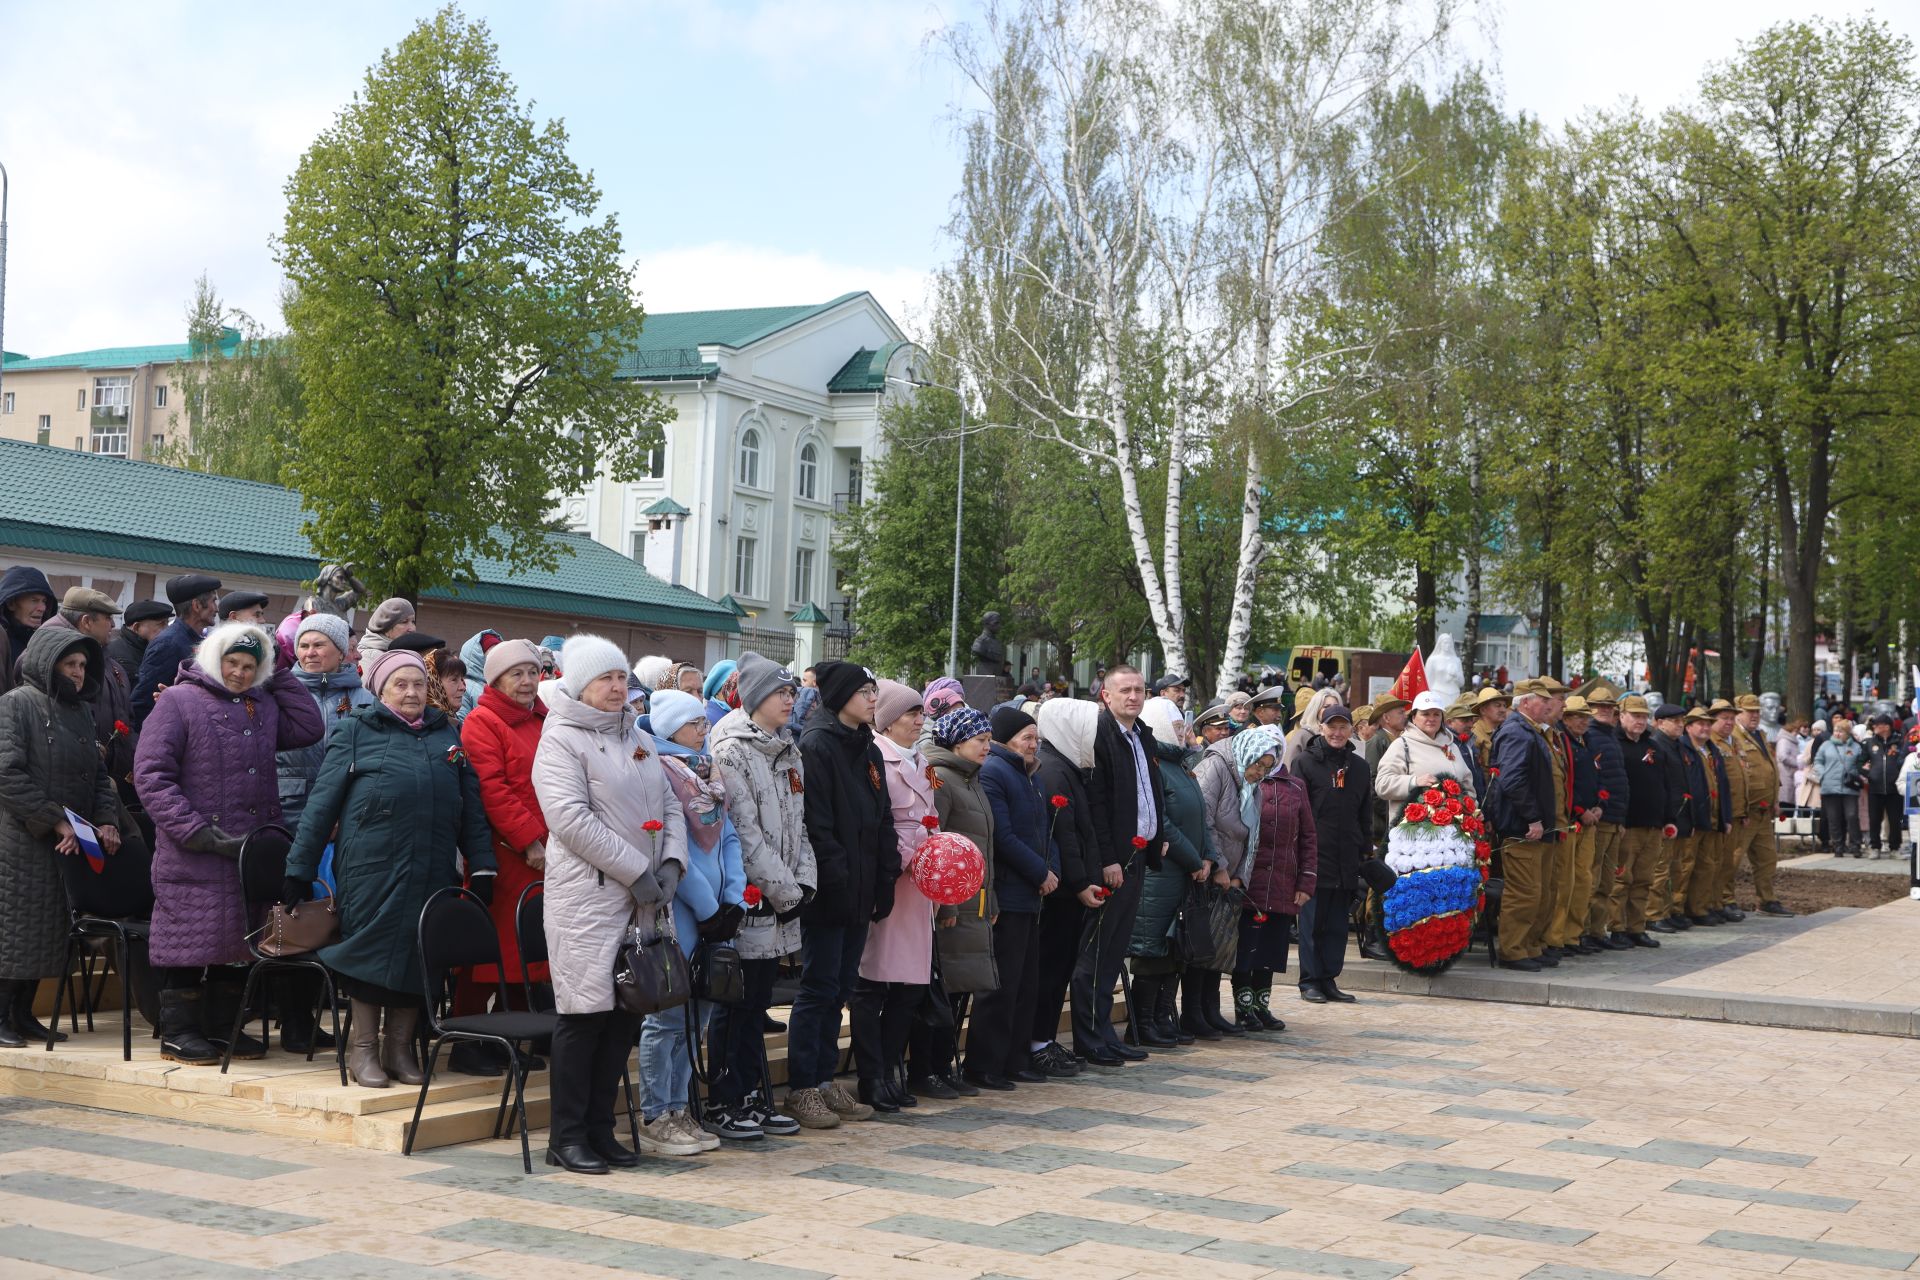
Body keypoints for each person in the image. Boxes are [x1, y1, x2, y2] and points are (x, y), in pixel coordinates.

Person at [281, 648, 494, 1089]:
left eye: (418, 684)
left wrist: (485, 866)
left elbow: (471, 809)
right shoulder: (355, 730)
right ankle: (363, 1050)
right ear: (380, 690)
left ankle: (399, 1049)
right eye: (400, 684)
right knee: (370, 951)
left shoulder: (446, 735)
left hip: (433, 866)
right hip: (370, 866)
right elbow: (322, 804)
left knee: (421, 952)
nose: (411, 692)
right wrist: (298, 867)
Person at [521, 636, 684, 1173]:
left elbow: (669, 805)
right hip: (587, 899)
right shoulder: (561, 739)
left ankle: (601, 1128)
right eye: (604, 679)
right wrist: (636, 868)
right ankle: (565, 1136)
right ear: (578, 685)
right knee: (583, 1015)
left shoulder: (637, 735)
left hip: (643, 900)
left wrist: (669, 864)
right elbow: (569, 820)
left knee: (622, 1019)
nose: (617, 688)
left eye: (621, 677)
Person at [135, 622, 324, 1063]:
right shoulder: (180, 701)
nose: (240, 673)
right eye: (232, 663)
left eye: (249, 665)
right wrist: (194, 831)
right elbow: (151, 776)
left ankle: (223, 1028)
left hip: (245, 850)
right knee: (187, 942)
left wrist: (274, 668)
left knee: (237, 939)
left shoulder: (261, 703)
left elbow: (309, 726)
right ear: (213, 658)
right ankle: (178, 1032)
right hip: (194, 848)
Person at [0, 627, 125, 1047]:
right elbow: (7, 773)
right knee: (14, 930)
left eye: (82, 665)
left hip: (67, 841)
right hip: (20, 841)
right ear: (46, 663)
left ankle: (23, 1014)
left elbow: (98, 778)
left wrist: (106, 820)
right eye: (69, 664)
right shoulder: (16, 705)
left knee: (47, 932)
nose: (77, 672)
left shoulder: (80, 712)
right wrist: (56, 821)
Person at [707, 652, 814, 1140]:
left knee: (758, 1003)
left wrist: (804, 880)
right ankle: (725, 1100)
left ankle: (752, 1094)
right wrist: (784, 890)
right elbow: (746, 834)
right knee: (737, 1002)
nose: (790, 699)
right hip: (754, 898)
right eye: (780, 692)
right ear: (754, 699)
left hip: (783, 895)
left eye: (792, 691)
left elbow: (799, 824)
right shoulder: (732, 752)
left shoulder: (787, 750)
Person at [638, 688, 745, 1156]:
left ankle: (680, 1107)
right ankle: (654, 1114)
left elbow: (730, 837)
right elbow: (672, 849)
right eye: (695, 724)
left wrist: (735, 898)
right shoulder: (661, 770)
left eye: (705, 723)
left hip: (715, 915)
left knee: (698, 1014)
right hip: (680, 912)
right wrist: (709, 907)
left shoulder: (707, 772)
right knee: (666, 1019)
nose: (705, 731)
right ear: (669, 729)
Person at [791, 661, 896, 1127]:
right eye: (864, 691)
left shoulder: (866, 747)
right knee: (818, 987)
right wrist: (837, 881)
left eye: (874, 691)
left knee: (839, 989)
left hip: (861, 887)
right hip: (832, 890)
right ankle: (802, 1088)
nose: (873, 698)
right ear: (840, 697)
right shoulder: (817, 745)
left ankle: (824, 1079)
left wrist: (884, 879)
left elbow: (882, 818)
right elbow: (818, 823)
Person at [451, 638, 549, 1075]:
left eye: (532, 672)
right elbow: (493, 790)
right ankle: (466, 1041)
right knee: (490, 952)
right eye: (517, 674)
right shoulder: (482, 721)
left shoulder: (544, 718)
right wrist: (529, 840)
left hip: (550, 853)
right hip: (508, 856)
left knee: (525, 954)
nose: (527, 681)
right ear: (494, 680)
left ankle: (504, 1037)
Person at [853, 680, 939, 1111]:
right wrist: (911, 856)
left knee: (909, 988)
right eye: (910, 713)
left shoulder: (921, 760)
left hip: (921, 885)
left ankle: (891, 1068)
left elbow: (930, 816)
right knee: (876, 984)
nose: (919, 720)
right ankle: (872, 1076)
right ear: (887, 720)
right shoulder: (877, 758)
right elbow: (880, 823)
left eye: (921, 712)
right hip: (893, 879)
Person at [1074, 667, 1165, 1066]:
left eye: (1139, 690)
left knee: (1114, 952)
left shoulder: (1141, 734)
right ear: (1106, 696)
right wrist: (1107, 859)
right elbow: (1096, 804)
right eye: (1124, 690)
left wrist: (1157, 829)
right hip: (1113, 862)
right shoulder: (1101, 734)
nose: (1133, 696)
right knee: (1095, 953)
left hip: (1140, 855)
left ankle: (1105, 1035)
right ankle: (1089, 1038)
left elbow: (1149, 789)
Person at [968, 705, 1057, 1086]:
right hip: (1010, 891)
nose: (1034, 745)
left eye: (1037, 738)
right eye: (1027, 738)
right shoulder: (996, 773)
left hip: (1033, 893)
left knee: (1026, 983)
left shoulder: (1027, 774)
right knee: (1001, 986)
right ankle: (985, 1064)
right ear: (1006, 739)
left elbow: (1042, 829)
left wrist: (1051, 870)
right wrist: (1041, 871)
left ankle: (1015, 1059)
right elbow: (1002, 837)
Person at [1126, 696, 1216, 1047]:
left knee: (1176, 951)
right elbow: (1160, 822)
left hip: (1185, 874)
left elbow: (1200, 818)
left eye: (1184, 726)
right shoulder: (1153, 765)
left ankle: (1163, 1017)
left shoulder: (1181, 765)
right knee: (1153, 953)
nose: (1184, 733)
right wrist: (1195, 860)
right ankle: (1143, 1023)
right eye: (1177, 727)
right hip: (1161, 873)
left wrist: (1207, 856)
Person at [925, 706, 998, 1093]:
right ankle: (931, 1068)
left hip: (978, 903)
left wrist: (993, 899)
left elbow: (986, 847)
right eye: (980, 740)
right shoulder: (943, 780)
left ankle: (945, 1066)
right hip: (952, 908)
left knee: (962, 988)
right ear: (957, 741)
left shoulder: (973, 780)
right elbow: (937, 845)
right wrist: (947, 903)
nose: (988, 747)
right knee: (945, 988)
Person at [1026, 697, 1101, 1076]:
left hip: (1070, 889)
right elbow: (1064, 836)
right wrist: (1081, 883)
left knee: (1059, 969)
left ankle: (1045, 1039)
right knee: (1051, 969)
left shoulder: (1068, 766)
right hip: (1061, 893)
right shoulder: (1055, 770)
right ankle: (1037, 1042)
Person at [1191, 721, 1271, 1039]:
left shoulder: (1255, 788)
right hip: (1209, 873)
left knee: (1221, 946)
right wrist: (1221, 866)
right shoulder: (1216, 767)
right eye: (1258, 764)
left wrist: (1240, 878)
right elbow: (1204, 819)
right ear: (1246, 754)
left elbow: (1253, 838)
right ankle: (1194, 1012)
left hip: (1229, 881)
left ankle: (1212, 1010)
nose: (1260, 772)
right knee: (1203, 946)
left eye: (1267, 767)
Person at [1233, 721, 1314, 1031]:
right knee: (1246, 947)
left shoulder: (1295, 786)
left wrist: (1306, 880)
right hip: (1248, 880)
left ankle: (1260, 1005)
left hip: (1281, 879)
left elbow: (1308, 836)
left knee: (1269, 948)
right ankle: (1243, 1009)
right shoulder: (1245, 780)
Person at [1292, 704, 1372, 1003]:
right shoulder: (1305, 762)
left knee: (1338, 925)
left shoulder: (1359, 767)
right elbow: (1297, 810)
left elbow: (1364, 812)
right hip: (1315, 855)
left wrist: (1365, 848)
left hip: (1347, 856)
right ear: (1321, 728)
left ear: (1351, 729)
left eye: (1343, 727)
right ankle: (1309, 981)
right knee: (1312, 923)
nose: (1337, 733)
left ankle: (1328, 978)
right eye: (1332, 727)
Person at [276, 613, 377, 830]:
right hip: (288, 815)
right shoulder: (280, 695)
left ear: (341, 652)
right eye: (303, 645)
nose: (310, 653)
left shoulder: (365, 700)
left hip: (347, 816)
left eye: (319, 645)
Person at [1488, 680, 1558, 971]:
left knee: (1537, 891)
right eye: (1543, 700)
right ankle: (1513, 950)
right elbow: (1513, 779)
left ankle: (1529, 946)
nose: (1549, 704)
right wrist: (1532, 817)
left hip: (1532, 826)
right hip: (1522, 827)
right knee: (1523, 892)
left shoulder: (1528, 730)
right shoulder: (1517, 731)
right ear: (1526, 702)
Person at [1609, 696, 1673, 947]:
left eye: (1643, 716)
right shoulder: (1616, 743)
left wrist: (1668, 818)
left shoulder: (1653, 745)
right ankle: (1616, 927)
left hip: (1653, 825)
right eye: (1634, 715)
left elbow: (1664, 784)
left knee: (1644, 879)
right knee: (1621, 879)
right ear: (1621, 716)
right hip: (1629, 825)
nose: (1639, 720)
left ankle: (1637, 926)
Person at [1373, 690, 1476, 827]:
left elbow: (1467, 785)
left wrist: (1472, 809)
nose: (1431, 718)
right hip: (1413, 833)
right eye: (1425, 714)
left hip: (1453, 831)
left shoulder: (1452, 746)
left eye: (1436, 714)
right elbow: (1382, 784)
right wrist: (1414, 781)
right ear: (1414, 717)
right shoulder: (1402, 745)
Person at [132, 574, 222, 725]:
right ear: (197, 606)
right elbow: (143, 702)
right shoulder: (168, 644)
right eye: (213, 601)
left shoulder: (196, 641)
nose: (217, 608)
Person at [1581, 691, 1631, 949]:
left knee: (1607, 880)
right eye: (1598, 706)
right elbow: (1593, 777)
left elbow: (1617, 779)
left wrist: (1620, 818)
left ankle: (1597, 931)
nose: (1604, 710)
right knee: (1593, 877)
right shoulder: (1590, 736)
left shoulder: (1610, 735)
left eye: (1609, 706)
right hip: (1599, 818)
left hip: (1613, 818)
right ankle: (1585, 931)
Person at [0, 565, 57, 698]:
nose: (42, 608)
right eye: (34, 600)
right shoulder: (2, 642)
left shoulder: (46, 644)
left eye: (44, 601)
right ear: (11, 604)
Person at [1812, 713, 1864, 856]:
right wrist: (1823, 774)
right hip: (1830, 787)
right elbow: (1818, 761)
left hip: (1849, 787)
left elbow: (1861, 763)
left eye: (1841, 731)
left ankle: (1855, 845)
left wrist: (1858, 774)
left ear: (1847, 733)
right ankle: (1838, 845)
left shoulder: (1856, 747)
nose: (1837, 733)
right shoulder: (1826, 745)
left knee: (1852, 816)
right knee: (1833, 818)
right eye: (1836, 730)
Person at [1862, 714, 1908, 858]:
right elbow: (1858, 762)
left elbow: (1905, 761)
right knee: (1874, 819)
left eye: (1877, 724)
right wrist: (1867, 773)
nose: (1874, 727)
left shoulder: (1899, 741)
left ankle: (1895, 848)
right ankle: (1875, 847)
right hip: (1875, 788)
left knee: (1895, 820)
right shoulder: (1869, 743)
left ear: (1886, 727)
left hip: (1894, 788)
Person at [107, 599, 173, 687]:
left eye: (167, 623)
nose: (167, 629)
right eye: (162, 624)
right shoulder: (111, 653)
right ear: (137, 627)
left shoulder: (163, 651)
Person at [457, 629, 504, 717]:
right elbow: (461, 722)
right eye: (492, 653)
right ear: (479, 658)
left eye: (500, 653)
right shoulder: (465, 686)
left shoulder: (503, 685)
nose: (497, 658)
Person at [353, 598, 416, 663]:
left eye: (413, 621)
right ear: (386, 627)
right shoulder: (369, 657)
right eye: (404, 622)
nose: (412, 628)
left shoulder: (405, 653)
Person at [426, 649, 468, 724]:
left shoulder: (452, 721)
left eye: (462, 679)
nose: (463, 688)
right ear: (434, 683)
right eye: (454, 680)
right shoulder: (426, 726)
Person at [702, 659, 739, 727]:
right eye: (733, 686)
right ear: (717, 692)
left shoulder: (737, 713)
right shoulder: (709, 718)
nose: (738, 691)